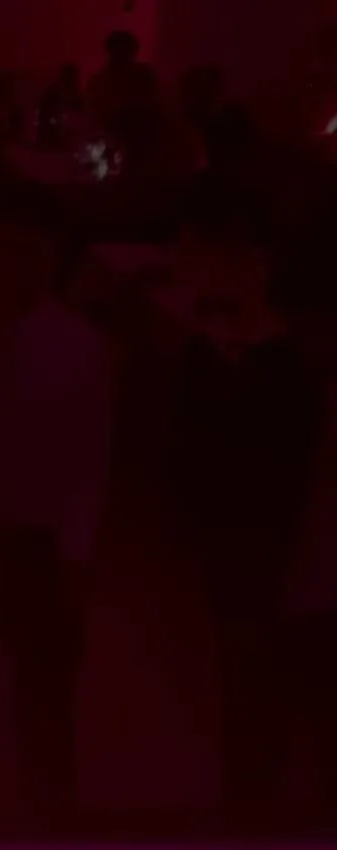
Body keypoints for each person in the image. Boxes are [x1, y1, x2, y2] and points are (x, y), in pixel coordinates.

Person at [166, 227, 326, 828]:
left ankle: (256, 808)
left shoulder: (253, 363)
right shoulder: (264, 363)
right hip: (259, 551)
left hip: (261, 550)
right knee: (262, 685)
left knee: (257, 685)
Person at [0, 184, 111, 827]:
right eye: (4, 249)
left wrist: (76, 556)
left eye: (29, 251)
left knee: (43, 692)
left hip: (37, 541)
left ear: (52, 256)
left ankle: (46, 816)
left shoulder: (76, 345)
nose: (15, 264)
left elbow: (89, 462)